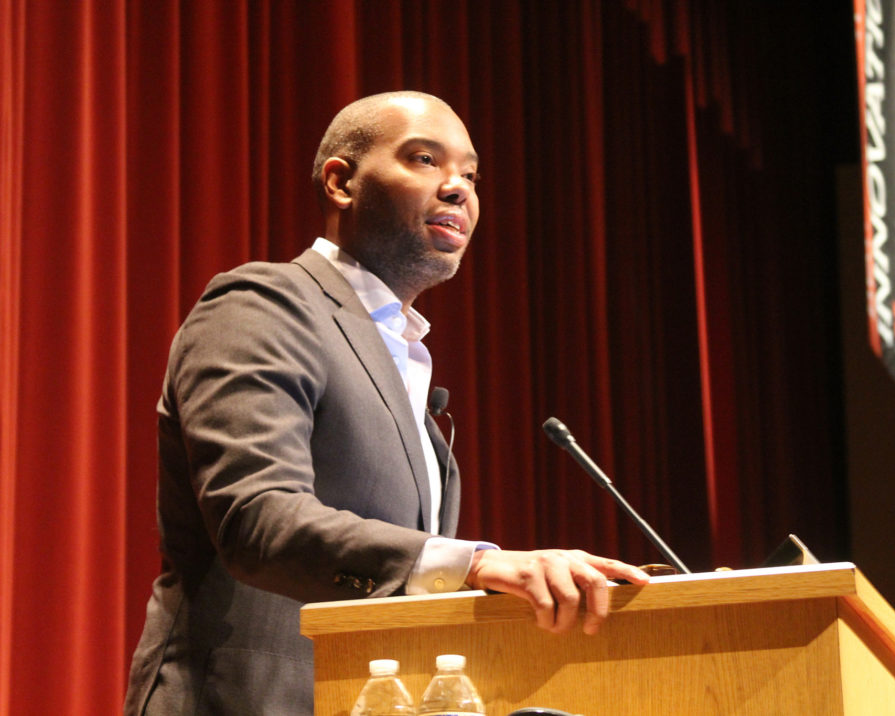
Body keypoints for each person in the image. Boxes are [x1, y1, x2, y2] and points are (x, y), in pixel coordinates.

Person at [124, 91, 649, 715]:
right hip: (245, 699)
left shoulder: (403, 354)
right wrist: (478, 564)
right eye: (425, 160)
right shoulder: (263, 303)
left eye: (472, 176)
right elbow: (256, 518)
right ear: (342, 182)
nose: (458, 189)